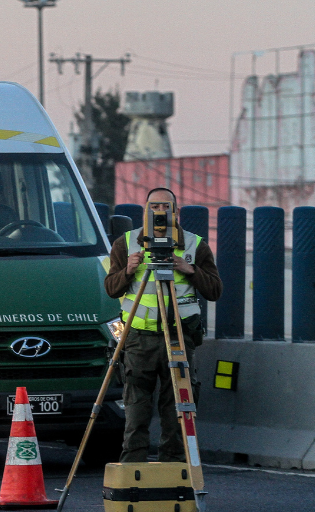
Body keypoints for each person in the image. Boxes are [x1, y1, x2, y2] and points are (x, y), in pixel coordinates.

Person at [104, 187, 221, 463]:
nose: (159, 212)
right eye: (153, 207)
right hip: (139, 339)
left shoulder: (194, 246)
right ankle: (134, 464)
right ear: (145, 210)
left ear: (175, 211)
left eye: (165, 207)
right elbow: (110, 288)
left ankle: (174, 464)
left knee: (177, 408)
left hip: (179, 338)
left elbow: (215, 290)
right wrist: (128, 270)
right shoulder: (126, 244)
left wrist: (189, 269)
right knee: (136, 409)